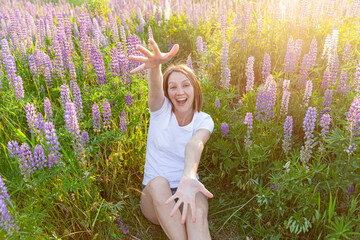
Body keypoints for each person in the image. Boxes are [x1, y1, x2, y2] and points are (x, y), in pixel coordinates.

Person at [129, 38, 214, 240]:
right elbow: (155, 90)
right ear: (167, 93)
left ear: (195, 89)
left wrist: (188, 178)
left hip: (189, 186)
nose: (180, 92)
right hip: (155, 198)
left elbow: (196, 144)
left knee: (197, 216)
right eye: (173, 87)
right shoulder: (160, 110)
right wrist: (154, 67)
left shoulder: (204, 120)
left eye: (186, 85)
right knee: (158, 183)